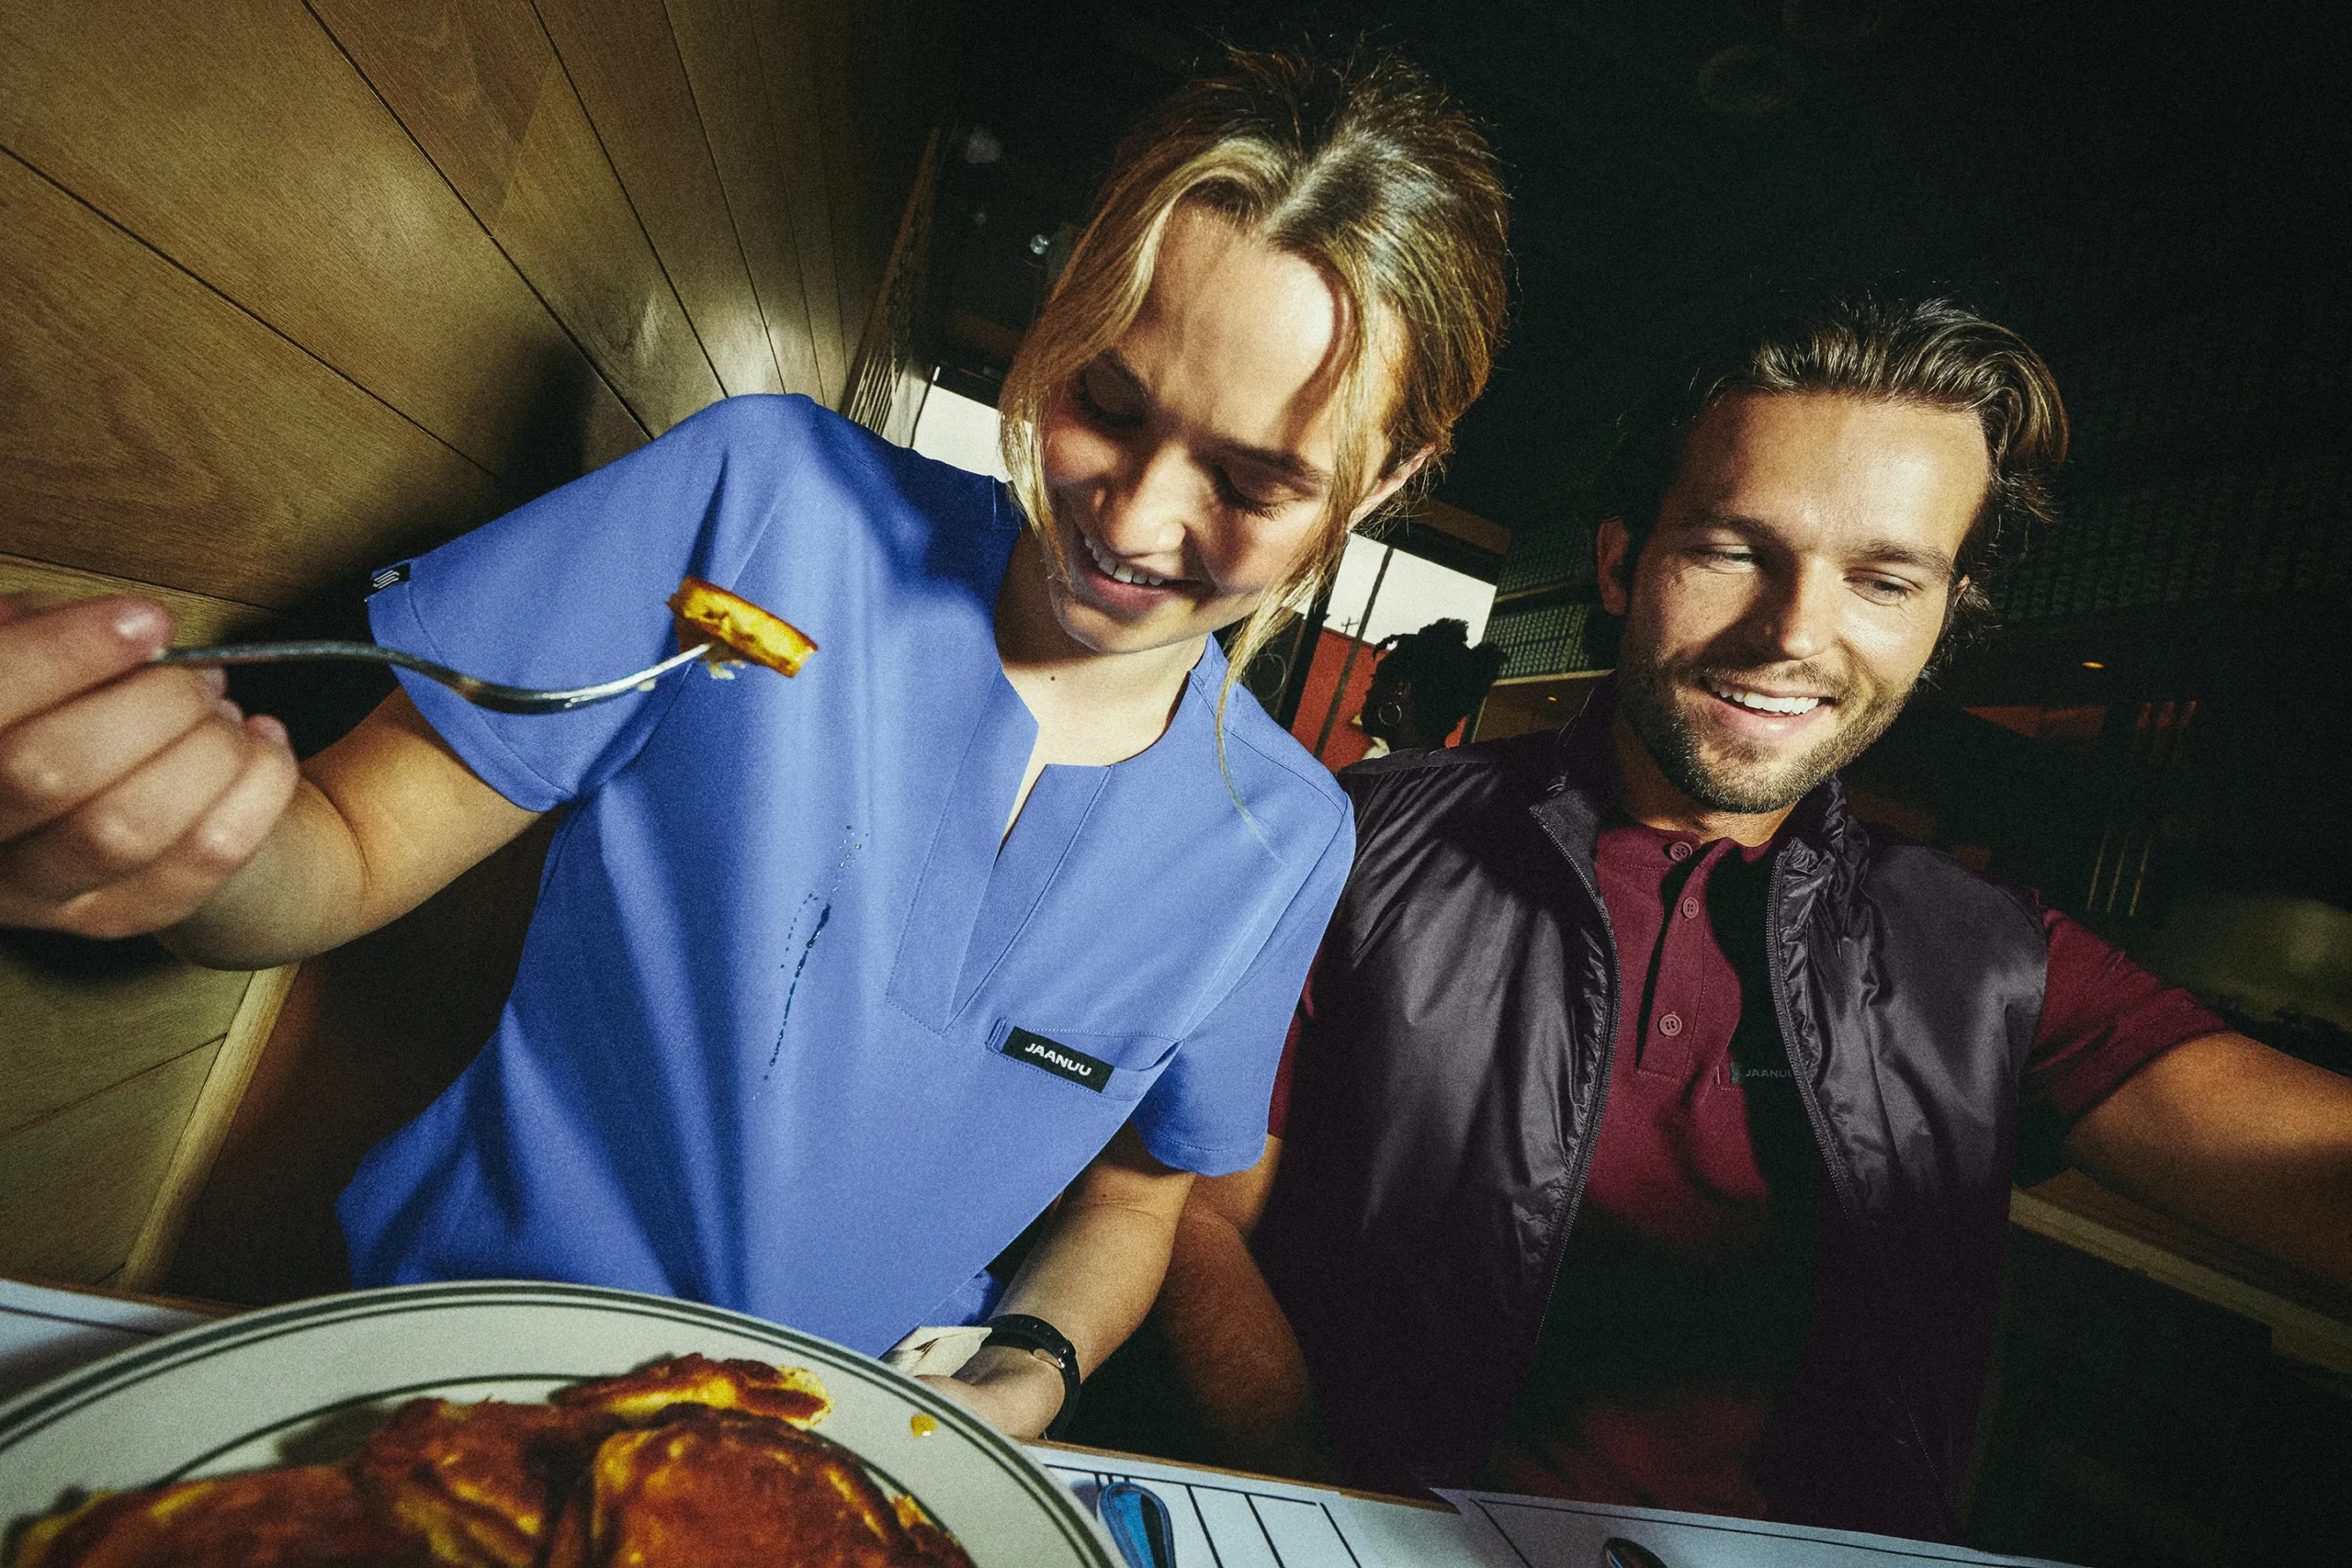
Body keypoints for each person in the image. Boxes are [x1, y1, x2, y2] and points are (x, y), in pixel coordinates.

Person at [0, 47, 1509, 1440]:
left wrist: (1030, 1366)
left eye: (1252, 484)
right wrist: (191, 846)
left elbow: (1137, 1190)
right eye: (1104, 400)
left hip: (828, 1461)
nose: (1130, 515)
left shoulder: (1289, 834)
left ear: (1381, 484)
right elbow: (339, 846)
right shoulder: (761, 496)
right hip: (458, 1373)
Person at [1153, 291, 2352, 1532]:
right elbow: (1192, 1218)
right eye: (1732, 549)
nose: (1792, 633)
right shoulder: (1356, 837)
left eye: (1884, 578)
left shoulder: (1990, 953)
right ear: (1621, 561)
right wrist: (1333, 1521)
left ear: (1940, 619)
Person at [1356, 616, 1507, 756]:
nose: (1368, 691)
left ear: (1400, 690)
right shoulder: (1452, 779)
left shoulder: (1373, 779)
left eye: (1375, 680)